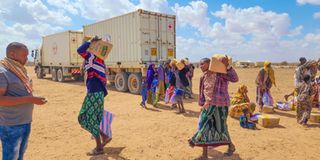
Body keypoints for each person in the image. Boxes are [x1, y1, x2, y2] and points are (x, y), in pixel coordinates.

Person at [0, 42, 47, 160]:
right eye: (24, 56)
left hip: (24, 122)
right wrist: (30, 99)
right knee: (11, 156)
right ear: (12, 54)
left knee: (20, 155)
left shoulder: (18, 70)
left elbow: (21, 92)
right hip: (11, 125)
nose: (27, 59)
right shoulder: (3, 73)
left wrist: (33, 97)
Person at [189, 57, 239, 159]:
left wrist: (228, 66)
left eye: (203, 64)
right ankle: (205, 155)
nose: (201, 66)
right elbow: (203, 91)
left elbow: (235, 78)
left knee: (221, 128)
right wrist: (202, 104)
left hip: (221, 105)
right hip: (208, 105)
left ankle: (231, 146)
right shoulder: (204, 75)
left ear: (209, 64)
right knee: (204, 126)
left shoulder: (220, 74)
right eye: (200, 64)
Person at [77, 36, 111, 156]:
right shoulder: (100, 60)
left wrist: (91, 41)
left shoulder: (92, 57)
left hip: (94, 93)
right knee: (91, 119)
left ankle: (99, 147)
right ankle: (104, 137)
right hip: (98, 93)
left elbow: (79, 50)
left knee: (86, 119)